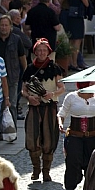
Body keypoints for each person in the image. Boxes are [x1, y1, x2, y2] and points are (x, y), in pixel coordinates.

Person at [21, 38, 64, 181]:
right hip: (34, 108)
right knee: (33, 138)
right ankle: (36, 169)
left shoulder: (55, 68)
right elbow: (24, 90)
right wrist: (29, 98)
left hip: (49, 106)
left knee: (49, 139)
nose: (41, 53)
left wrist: (52, 94)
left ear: (48, 52)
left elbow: (61, 88)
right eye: (39, 50)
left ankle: (46, 171)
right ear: (35, 52)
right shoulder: (30, 69)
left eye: (44, 50)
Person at [57, 83, 95, 190]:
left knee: (91, 165)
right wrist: (60, 123)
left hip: (92, 137)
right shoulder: (71, 97)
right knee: (72, 163)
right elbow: (61, 113)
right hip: (75, 136)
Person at [0, 15, 27, 130]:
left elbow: (22, 58)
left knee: (11, 103)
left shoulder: (16, 39)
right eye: (2, 25)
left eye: (6, 25)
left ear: (11, 27)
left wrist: (25, 74)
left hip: (12, 77)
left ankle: (11, 130)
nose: (4, 28)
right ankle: (0, 129)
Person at [65, 0, 89, 70]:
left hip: (70, 16)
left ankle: (70, 63)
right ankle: (75, 63)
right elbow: (86, 3)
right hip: (77, 17)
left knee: (70, 41)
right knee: (77, 41)